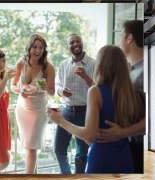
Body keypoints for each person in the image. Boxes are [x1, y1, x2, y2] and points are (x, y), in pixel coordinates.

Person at [48, 45, 144, 173]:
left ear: (100, 65)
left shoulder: (95, 92)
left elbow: (89, 136)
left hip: (101, 159)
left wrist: (60, 121)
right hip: (125, 158)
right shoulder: (129, 92)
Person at [96, 20, 145, 173]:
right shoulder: (128, 72)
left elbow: (153, 119)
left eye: (121, 36)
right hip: (126, 146)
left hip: (139, 147)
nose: (119, 41)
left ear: (129, 38)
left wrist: (122, 133)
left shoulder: (145, 72)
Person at [12, 34, 55, 174]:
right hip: (22, 109)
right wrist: (20, 90)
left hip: (38, 110)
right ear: (29, 48)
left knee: (32, 148)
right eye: (34, 47)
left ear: (44, 50)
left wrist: (44, 86)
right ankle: (33, 177)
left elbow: (52, 92)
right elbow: (12, 86)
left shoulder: (48, 67)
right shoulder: (20, 64)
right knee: (28, 146)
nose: (37, 50)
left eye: (40, 48)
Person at [54, 34, 95, 174]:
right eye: (72, 42)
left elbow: (98, 89)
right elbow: (57, 86)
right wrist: (61, 91)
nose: (75, 44)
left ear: (82, 43)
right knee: (59, 149)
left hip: (85, 113)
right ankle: (66, 175)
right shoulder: (63, 65)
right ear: (68, 46)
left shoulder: (93, 64)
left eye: (78, 41)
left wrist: (85, 77)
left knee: (82, 154)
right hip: (66, 112)